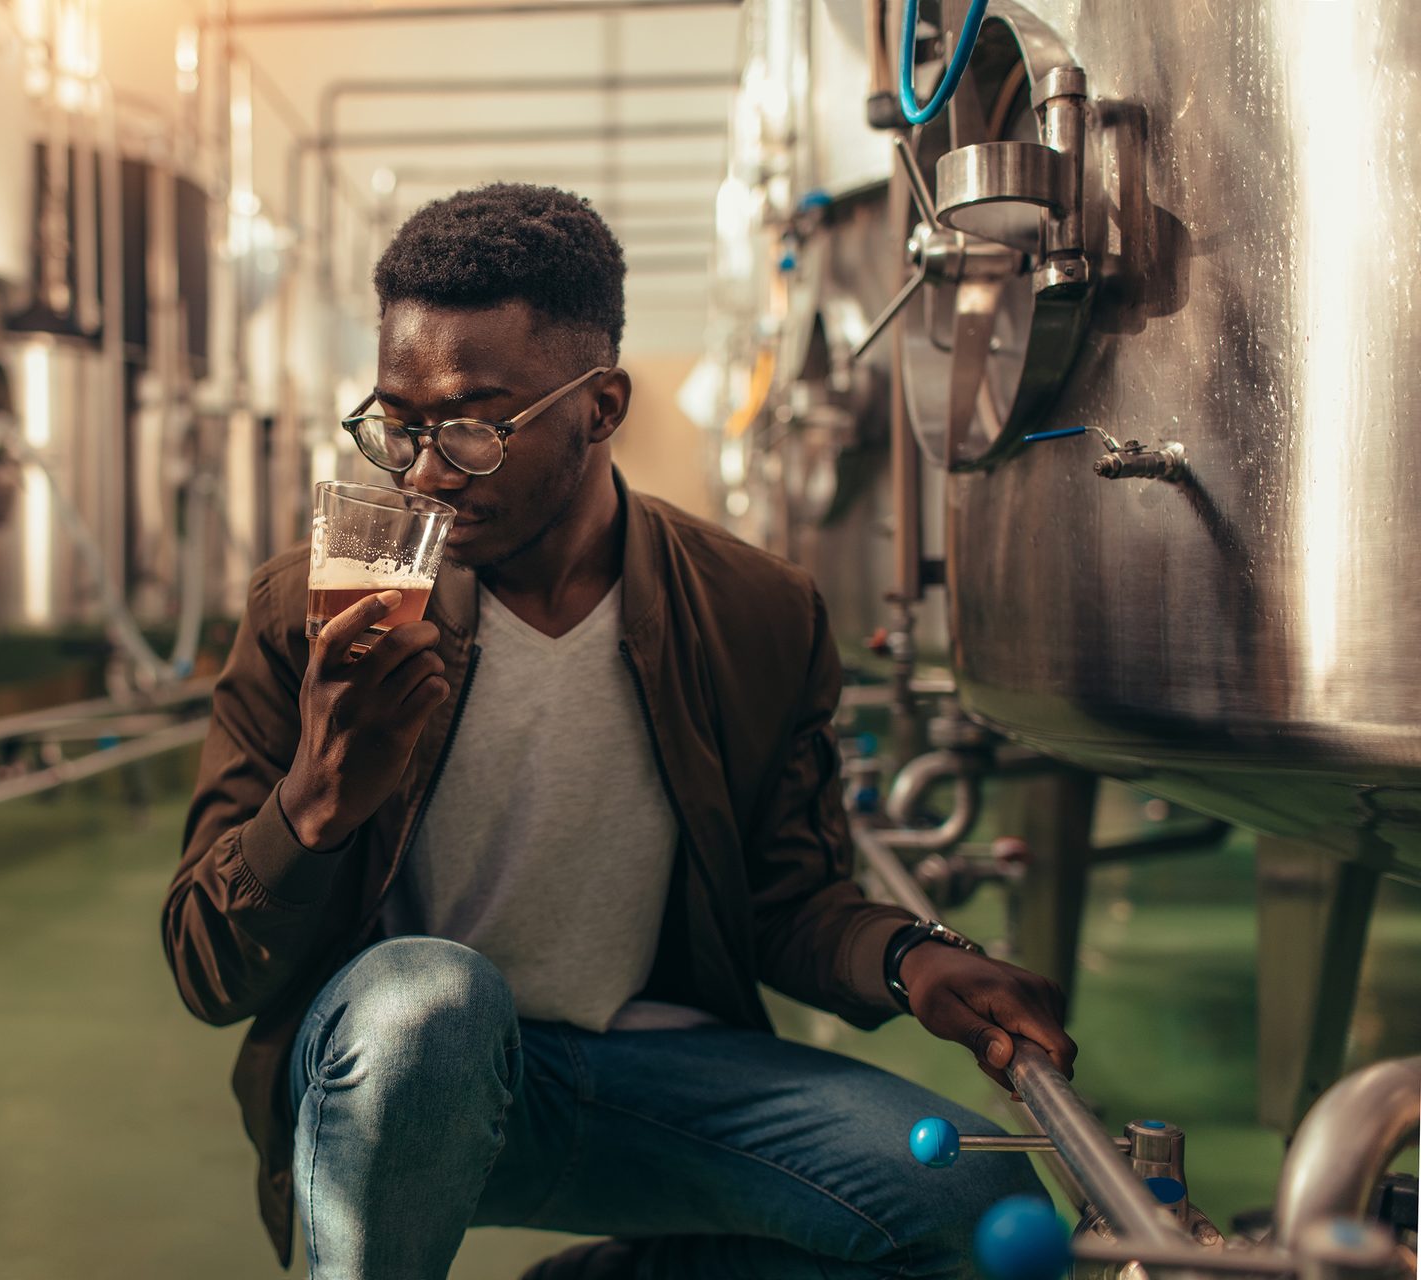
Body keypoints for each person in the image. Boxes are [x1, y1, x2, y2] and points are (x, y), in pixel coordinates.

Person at [162, 183, 1075, 1279]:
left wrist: (905, 955)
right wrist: (311, 804)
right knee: (431, 1007)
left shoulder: (756, 613)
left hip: (653, 1073)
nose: (421, 472)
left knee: (978, 1206)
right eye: (396, 426)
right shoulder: (310, 612)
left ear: (600, 408)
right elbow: (207, 971)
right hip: (400, 1087)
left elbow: (784, 897)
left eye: (472, 428)